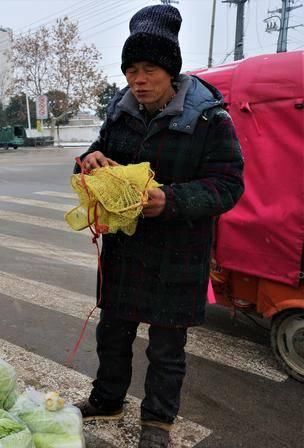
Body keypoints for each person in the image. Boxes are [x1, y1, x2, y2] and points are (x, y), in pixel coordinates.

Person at [73, 5, 244, 448]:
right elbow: (98, 151)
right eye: (131, 70)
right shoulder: (120, 110)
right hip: (125, 248)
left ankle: (158, 422)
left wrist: (172, 199)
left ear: (171, 71)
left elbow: (228, 184)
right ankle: (107, 398)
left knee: (167, 347)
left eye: (149, 69)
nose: (138, 80)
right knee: (113, 332)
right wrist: (90, 158)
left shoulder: (210, 118)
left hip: (179, 252)